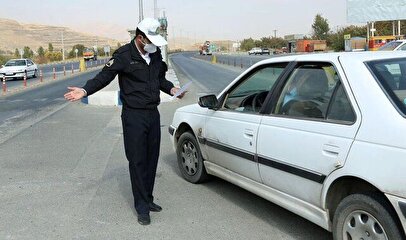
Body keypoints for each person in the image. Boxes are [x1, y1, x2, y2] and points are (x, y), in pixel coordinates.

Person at [64, 18, 185, 225]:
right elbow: (104, 77)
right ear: (140, 38)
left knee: (151, 159)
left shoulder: (155, 55)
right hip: (134, 115)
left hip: (152, 114)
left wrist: (172, 89)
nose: (153, 45)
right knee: (137, 161)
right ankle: (141, 207)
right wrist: (85, 90)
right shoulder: (124, 56)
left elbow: (159, 80)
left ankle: (148, 198)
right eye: (150, 40)